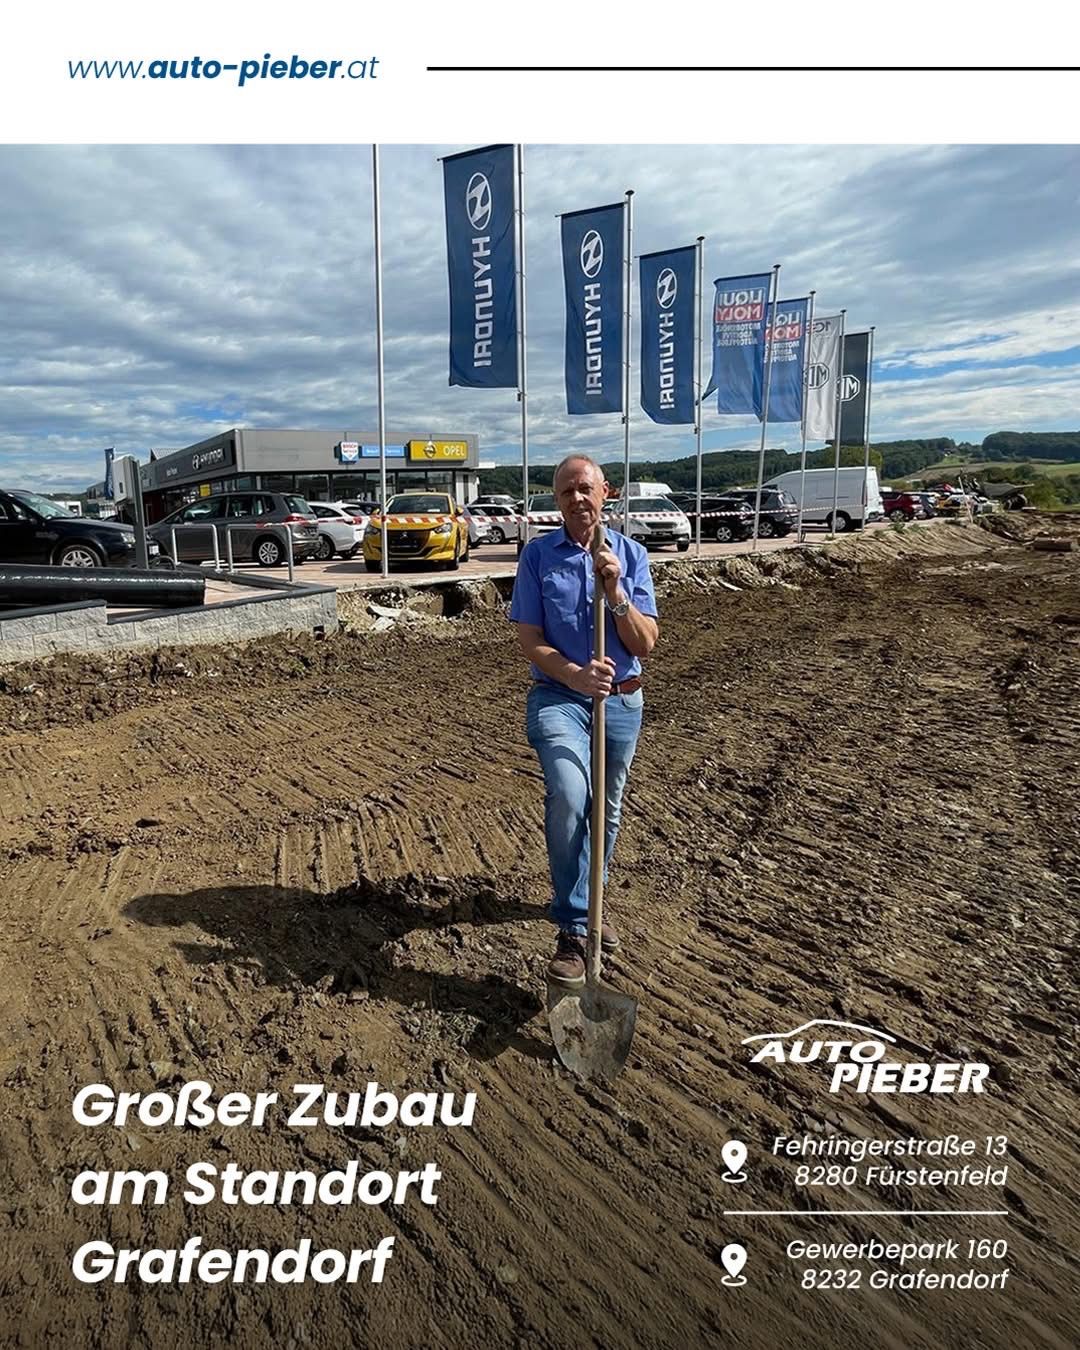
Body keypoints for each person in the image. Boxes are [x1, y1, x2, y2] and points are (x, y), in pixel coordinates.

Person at [509, 455, 659, 987]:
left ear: (605, 493)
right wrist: (574, 675)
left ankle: (591, 903)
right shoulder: (538, 557)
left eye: (586, 489)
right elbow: (529, 639)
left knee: (608, 808)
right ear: (557, 499)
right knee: (572, 794)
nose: (577, 498)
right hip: (558, 697)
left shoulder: (633, 556)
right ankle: (575, 926)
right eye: (567, 490)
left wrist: (616, 593)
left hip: (621, 701)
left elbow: (645, 642)